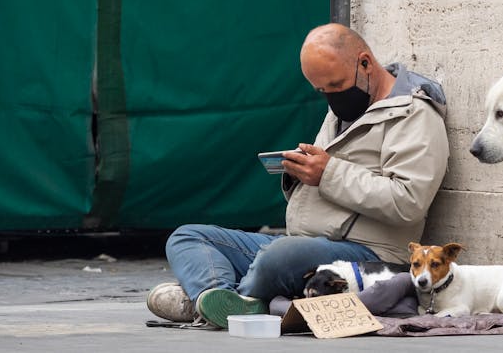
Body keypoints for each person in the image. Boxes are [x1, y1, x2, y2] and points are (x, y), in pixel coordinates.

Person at [145, 23, 449, 328]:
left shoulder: (413, 114)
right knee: (187, 236)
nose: (331, 98)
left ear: (365, 63)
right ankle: (216, 298)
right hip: (306, 242)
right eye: (321, 91)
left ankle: (214, 300)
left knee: (280, 255)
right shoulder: (345, 106)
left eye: (335, 85)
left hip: (367, 253)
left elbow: (409, 201)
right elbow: (325, 180)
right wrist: (299, 174)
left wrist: (327, 172)